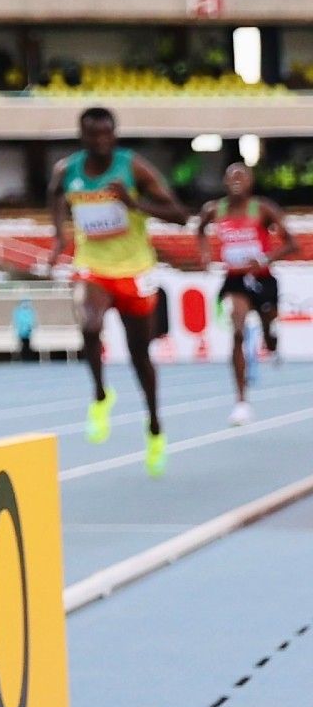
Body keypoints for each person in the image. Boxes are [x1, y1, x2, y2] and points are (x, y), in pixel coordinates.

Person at [47, 106, 193, 473]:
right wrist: (57, 237)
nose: (100, 141)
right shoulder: (68, 171)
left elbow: (179, 214)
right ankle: (100, 394)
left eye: (106, 134)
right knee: (89, 324)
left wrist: (133, 204)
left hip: (134, 271)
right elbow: (54, 194)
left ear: (114, 134)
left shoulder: (134, 168)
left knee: (139, 356)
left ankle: (155, 424)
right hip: (93, 268)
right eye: (92, 135)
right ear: (82, 136)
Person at [201, 158, 294, 425]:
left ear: (250, 181)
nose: (237, 180)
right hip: (235, 279)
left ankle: (270, 336)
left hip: (262, 278)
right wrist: (206, 253)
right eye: (232, 176)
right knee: (238, 331)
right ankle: (241, 401)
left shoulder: (263, 209)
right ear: (225, 182)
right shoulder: (215, 210)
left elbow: (290, 243)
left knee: (268, 326)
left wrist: (265, 259)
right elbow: (199, 229)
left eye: (242, 176)